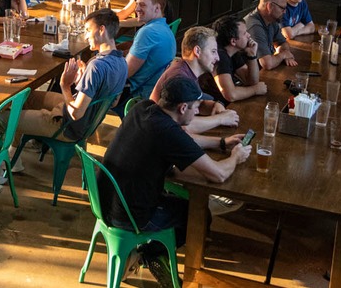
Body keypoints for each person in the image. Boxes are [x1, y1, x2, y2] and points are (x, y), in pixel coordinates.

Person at [104, 74, 251, 280]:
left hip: (106, 201)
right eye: (196, 106)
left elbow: (182, 143)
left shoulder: (144, 108)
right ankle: (154, 255)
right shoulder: (167, 132)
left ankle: (148, 253)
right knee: (197, 214)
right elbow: (219, 174)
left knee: (182, 202)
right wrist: (236, 157)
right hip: (131, 214)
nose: (198, 110)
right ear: (183, 108)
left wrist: (221, 143)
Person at [14, 8, 127, 141]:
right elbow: (113, 103)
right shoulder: (122, 62)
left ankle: (8, 159)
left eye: (88, 30)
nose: (85, 36)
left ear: (101, 30)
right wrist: (82, 82)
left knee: (2, 120)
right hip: (86, 121)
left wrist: (65, 85)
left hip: (69, 126)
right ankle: (16, 150)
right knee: (24, 98)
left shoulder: (96, 66)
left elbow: (76, 114)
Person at [148, 26, 240, 133]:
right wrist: (221, 119)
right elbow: (183, 125)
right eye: (213, 51)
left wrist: (215, 105)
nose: (218, 58)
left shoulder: (186, 69)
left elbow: (195, 104)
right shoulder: (180, 78)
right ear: (197, 51)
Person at [122, 0, 178, 104]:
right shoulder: (166, 29)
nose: (136, 9)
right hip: (157, 92)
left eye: (142, 5)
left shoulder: (147, 32)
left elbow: (126, 72)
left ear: (157, 8)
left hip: (138, 97)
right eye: (137, 5)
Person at [203, 15, 266, 104]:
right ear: (233, 41)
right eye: (244, 33)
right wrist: (255, 90)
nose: (249, 35)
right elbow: (230, 95)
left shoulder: (233, 52)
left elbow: (251, 81)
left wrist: (252, 55)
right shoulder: (219, 56)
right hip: (209, 106)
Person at [243, 0, 298, 70]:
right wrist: (283, 55)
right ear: (270, 6)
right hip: (247, 76)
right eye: (282, 8)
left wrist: (285, 54)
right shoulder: (255, 27)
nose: (284, 12)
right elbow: (267, 64)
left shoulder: (272, 20)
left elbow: (282, 43)